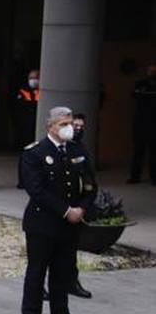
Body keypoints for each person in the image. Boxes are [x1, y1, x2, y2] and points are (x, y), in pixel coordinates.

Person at [20, 107, 91, 314]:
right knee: (37, 271)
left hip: (70, 225)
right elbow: (36, 190)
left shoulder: (77, 151)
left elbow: (89, 185)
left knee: (62, 273)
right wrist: (66, 210)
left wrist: (82, 208)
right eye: (63, 124)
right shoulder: (35, 153)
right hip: (43, 223)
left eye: (70, 122)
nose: (70, 127)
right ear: (51, 127)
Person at [68, 111, 96, 300]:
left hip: (77, 208)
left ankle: (71, 282)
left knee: (70, 249)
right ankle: (43, 285)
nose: (78, 130)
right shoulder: (56, 149)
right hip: (58, 208)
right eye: (74, 126)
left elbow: (90, 182)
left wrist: (83, 207)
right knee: (45, 253)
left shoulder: (81, 150)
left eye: (81, 127)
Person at [130, 62, 156, 185]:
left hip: (153, 122)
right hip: (140, 122)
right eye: (150, 70)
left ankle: (154, 177)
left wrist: (145, 94)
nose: (152, 72)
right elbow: (134, 94)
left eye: (154, 70)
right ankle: (135, 177)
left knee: (154, 152)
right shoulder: (141, 83)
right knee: (138, 151)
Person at [14, 69, 40, 149]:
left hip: (38, 120)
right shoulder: (23, 90)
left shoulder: (43, 91)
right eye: (31, 78)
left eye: (35, 78)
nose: (33, 80)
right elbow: (19, 106)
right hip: (25, 121)